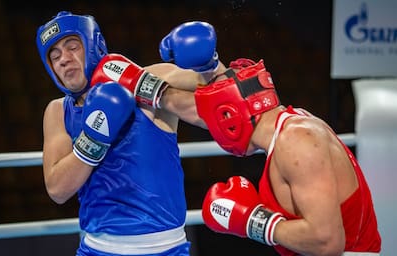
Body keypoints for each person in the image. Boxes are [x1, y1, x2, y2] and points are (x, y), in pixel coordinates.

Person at [35, 11, 222, 256]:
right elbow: (58, 190)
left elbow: (225, 96)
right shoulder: (57, 111)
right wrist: (94, 137)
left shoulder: (149, 78)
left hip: (166, 248)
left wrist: (209, 63)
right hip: (97, 249)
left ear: (94, 46)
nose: (63, 59)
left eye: (72, 47)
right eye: (55, 55)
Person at [173, 55, 381, 255]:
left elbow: (326, 241)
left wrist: (253, 221)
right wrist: (148, 87)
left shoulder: (296, 140)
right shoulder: (292, 126)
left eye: (220, 116)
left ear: (232, 114)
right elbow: (202, 111)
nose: (212, 125)